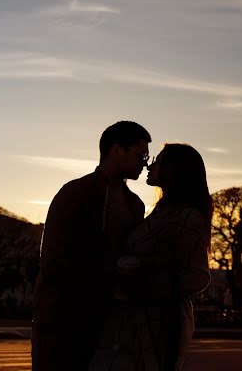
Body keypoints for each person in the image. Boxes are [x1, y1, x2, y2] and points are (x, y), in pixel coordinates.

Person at [32, 121, 152, 371]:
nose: (145, 163)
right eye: (140, 155)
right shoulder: (74, 192)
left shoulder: (135, 204)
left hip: (108, 324)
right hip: (64, 323)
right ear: (117, 150)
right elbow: (53, 262)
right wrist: (109, 282)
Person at [89, 143, 212, 371]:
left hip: (158, 322)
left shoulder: (187, 217)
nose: (149, 164)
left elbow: (197, 276)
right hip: (138, 318)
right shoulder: (163, 212)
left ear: (174, 170)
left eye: (157, 159)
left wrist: (141, 282)